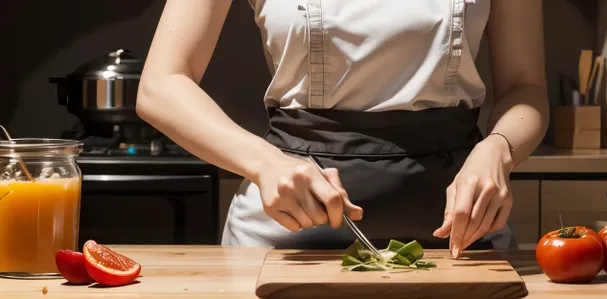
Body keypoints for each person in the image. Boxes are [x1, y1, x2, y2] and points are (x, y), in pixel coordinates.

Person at [136, 0, 548, 258]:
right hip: (282, 246)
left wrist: (498, 148)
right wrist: (264, 163)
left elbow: (525, 88)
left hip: (465, 241)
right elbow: (161, 86)